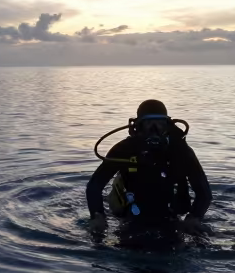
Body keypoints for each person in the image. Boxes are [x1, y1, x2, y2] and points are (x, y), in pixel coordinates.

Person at [87, 99, 212, 235]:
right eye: (148, 123)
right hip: (132, 214)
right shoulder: (124, 149)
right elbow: (94, 186)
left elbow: (204, 192)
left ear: (167, 125)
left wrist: (194, 217)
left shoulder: (181, 150)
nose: (154, 129)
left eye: (160, 123)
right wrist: (98, 216)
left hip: (170, 215)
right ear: (138, 125)